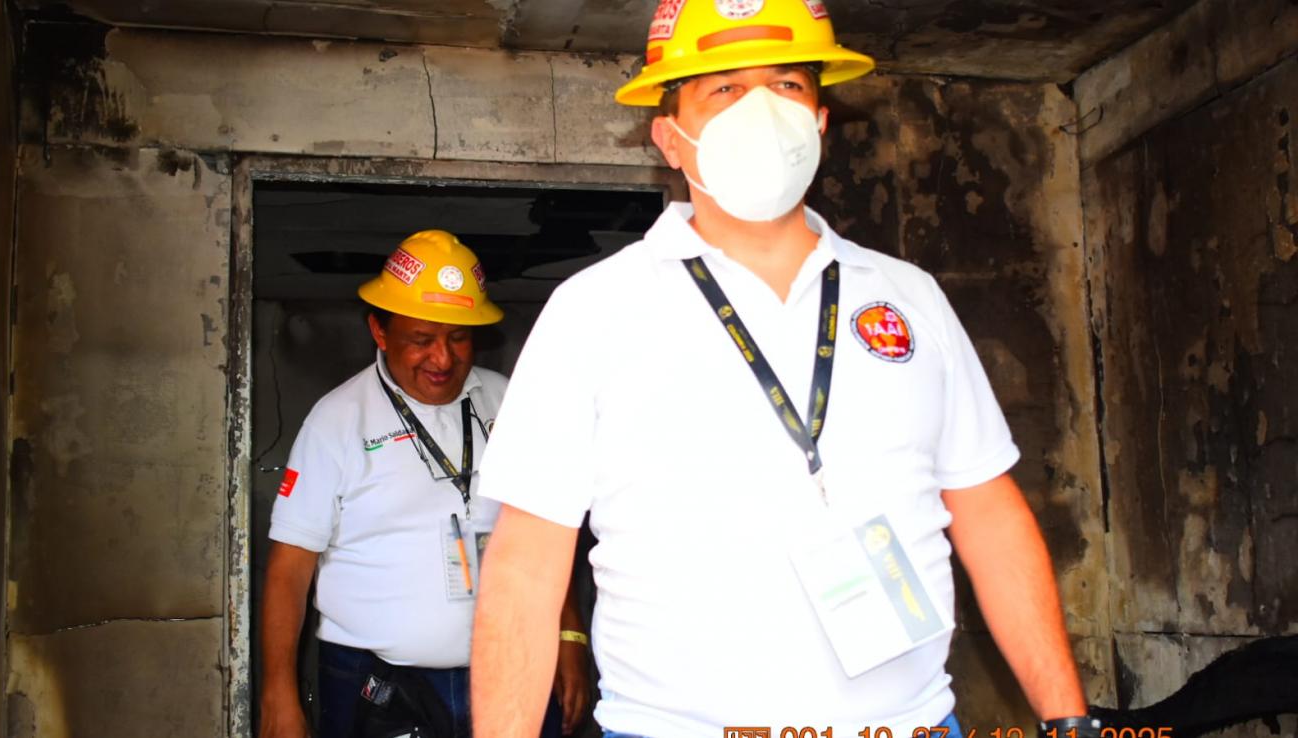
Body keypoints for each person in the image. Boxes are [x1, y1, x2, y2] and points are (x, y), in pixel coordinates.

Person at [470, 2, 1101, 738]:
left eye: (788, 85)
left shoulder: (908, 297)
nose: (762, 111)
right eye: (725, 90)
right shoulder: (595, 310)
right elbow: (525, 567)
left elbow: (987, 510)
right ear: (670, 138)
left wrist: (1068, 718)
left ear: (821, 123)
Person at [259, 230, 589, 738]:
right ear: (380, 330)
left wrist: (568, 636)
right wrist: (277, 690)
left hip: (511, 668)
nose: (442, 358)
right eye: (421, 339)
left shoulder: (511, 404)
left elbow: (543, 534)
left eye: (458, 337)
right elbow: (290, 568)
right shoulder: (337, 420)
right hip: (376, 681)